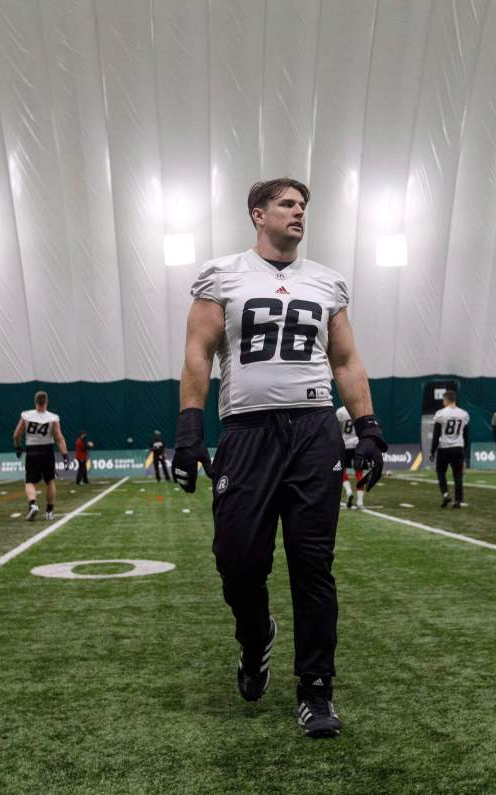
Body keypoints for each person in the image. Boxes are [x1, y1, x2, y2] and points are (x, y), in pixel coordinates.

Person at [174, 177, 387, 739]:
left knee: (312, 564)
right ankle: (254, 636)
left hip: (314, 433)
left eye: (303, 206)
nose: (298, 213)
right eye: (287, 204)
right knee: (237, 560)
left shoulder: (327, 282)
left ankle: (316, 691)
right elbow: (198, 351)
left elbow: (345, 360)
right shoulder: (222, 273)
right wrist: (190, 428)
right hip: (247, 433)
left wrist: (366, 426)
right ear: (257, 214)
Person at [13, 390, 69, 521]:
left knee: (30, 481)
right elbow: (59, 438)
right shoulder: (53, 417)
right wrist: (65, 456)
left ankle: (32, 504)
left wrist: (17, 447)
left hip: (32, 450)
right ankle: (49, 511)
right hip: (47, 450)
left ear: (35, 402)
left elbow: (16, 435)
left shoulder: (27, 415)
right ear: (46, 402)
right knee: (50, 481)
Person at [430, 390, 470, 508]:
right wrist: (464, 450)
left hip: (445, 447)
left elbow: (436, 434)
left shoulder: (441, 414)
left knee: (441, 472)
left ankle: (445, 494)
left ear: (446, 400)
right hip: (458, 447)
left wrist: (432, 450)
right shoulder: (464, 414)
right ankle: (458, 500)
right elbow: (466, 435)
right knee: (457, 475)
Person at [334, 405, 366, 509]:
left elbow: (337, 430)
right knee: (359, 472)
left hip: (345, 445)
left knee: (342, 470)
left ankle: (348, 491)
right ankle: (360, 501)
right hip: (358, 444)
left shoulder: (340, 411)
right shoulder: (359, 409)